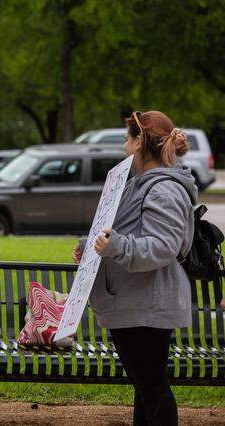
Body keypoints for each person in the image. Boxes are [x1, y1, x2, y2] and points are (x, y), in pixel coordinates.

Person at [73, 111, 195, 426]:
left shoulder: (163, 189)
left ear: (140, 141)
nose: (124, 145)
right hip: (133, 303)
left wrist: (114, 247)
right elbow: (122, 230)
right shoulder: (138, 183)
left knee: (152, 389)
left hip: (146, 307)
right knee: (146, 390)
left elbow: (162, 247)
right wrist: (92, 249)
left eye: (128, 138)